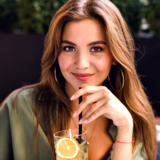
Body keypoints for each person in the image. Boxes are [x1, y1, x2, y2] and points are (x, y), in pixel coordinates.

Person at [0, 0, 157, 159]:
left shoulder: (134, 119)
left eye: (96, 49)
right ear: (56, 53)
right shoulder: (21, 106)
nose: (81, 64)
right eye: (69, 48)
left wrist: (125, 128)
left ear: (115, 55)